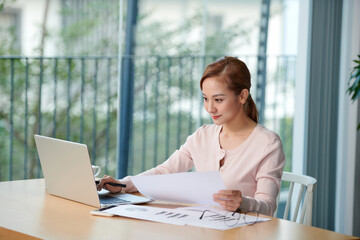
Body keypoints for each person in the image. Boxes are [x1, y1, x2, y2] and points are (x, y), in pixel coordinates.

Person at [97, 56, 285, 216]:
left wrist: (242, 202)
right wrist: (122, 184)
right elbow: (164, 171)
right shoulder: (202, 136)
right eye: (205, 98)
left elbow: (267, 206)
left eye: (218, 99)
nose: (210, 108)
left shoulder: (267, 143)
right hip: (203, 227)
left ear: (242, 96)